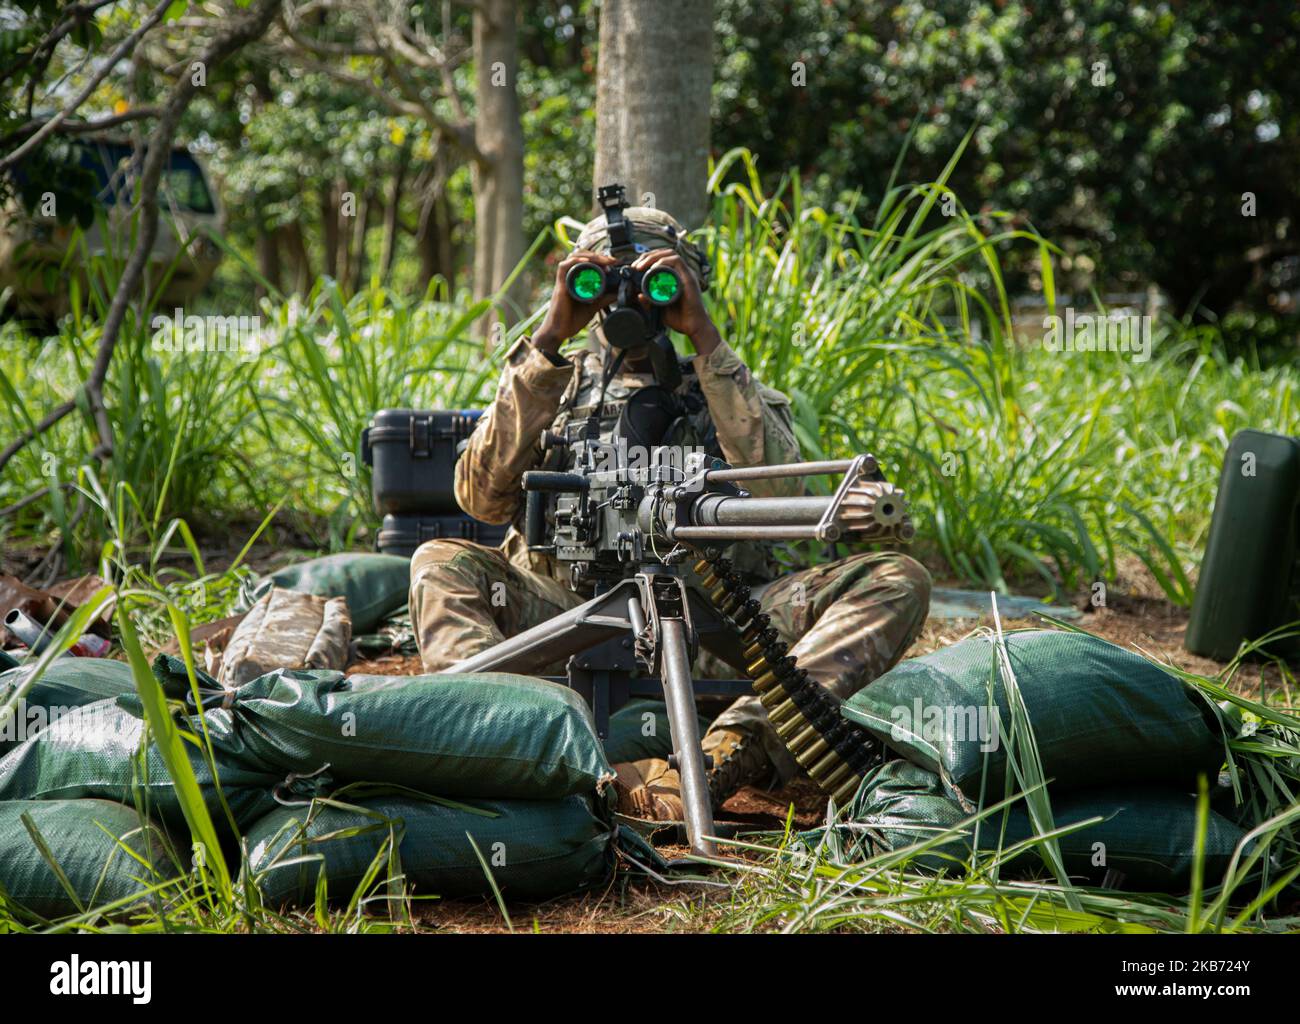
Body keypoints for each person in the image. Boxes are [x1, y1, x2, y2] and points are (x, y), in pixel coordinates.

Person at [409, 204, 931, 819]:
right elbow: (480, 499)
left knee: (896, 579)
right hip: (565, 617)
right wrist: (549, 341)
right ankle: (502, 735)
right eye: (607, 281)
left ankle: (727, 753)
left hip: (717, 618)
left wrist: (705, 340)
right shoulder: (551, 384)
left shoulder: (723, 386)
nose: (630, 300)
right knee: (438, 562)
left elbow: (778, 495)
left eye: (654, 281)